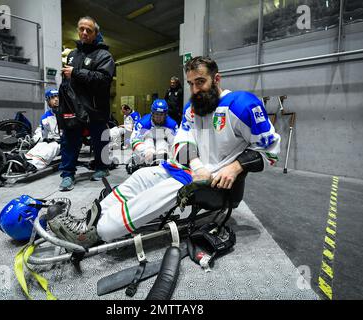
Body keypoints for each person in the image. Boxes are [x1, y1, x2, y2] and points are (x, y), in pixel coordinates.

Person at [48, 56, 281, 247]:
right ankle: (90, 219)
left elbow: (270, 151)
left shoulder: (242, 104)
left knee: (155, 195)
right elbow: (183, 138)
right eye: (190, 83)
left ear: (217, 79)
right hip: (188, 170)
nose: (195, 89)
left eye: (200, 82)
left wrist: (235, 167)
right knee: (140, 176)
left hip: (215, 183)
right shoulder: (192, 108)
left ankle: (98, 232)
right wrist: (197, 165)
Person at [58, 16, 115, 191]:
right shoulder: (73, 55)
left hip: (96, 107)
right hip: (75, 107)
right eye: (81, 28)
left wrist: (75, 72)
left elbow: (103, 79)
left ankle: (102, 167)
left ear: (95, 33)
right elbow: (68, 83)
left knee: (100, 140)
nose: (84, 32)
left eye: (88, 30)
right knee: (69, 140)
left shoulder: (104, 55)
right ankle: (67, 174)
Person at [130, 99, 178, 165]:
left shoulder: (172, 125)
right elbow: (134, 140)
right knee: (148, 141)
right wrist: (144, 152)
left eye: (161, 114)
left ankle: (162, 156)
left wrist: (173, 158)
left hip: (163, 144)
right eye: (157, 114)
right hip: (146, 144)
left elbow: (175, 143)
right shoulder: (143, 123)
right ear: (152, 113)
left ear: (166, 115)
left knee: (162, 143)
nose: (159, 117)